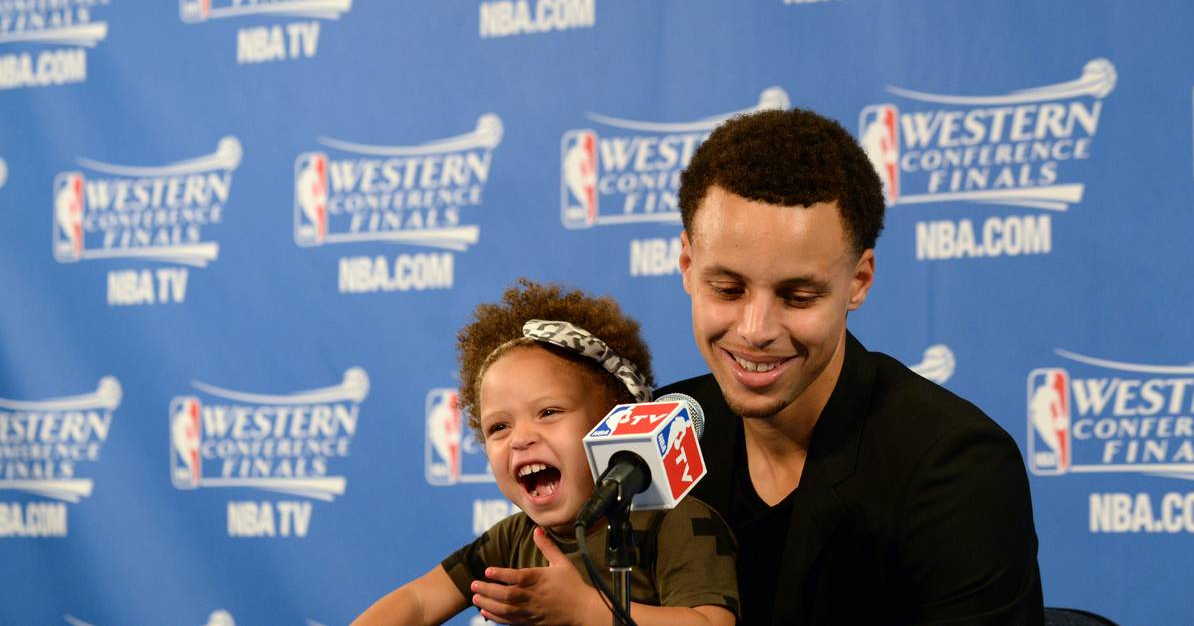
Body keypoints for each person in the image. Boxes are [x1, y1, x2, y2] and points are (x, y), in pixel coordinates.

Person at [657, 108, 1044, 625]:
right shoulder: (659, 434)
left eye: (798, 296)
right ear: (687, 265)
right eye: (727, 289)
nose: (755, 329)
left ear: (858, 282)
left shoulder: (955, 470)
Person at [353, 279, 739, 626]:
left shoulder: (676, 522)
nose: (520, 438)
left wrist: (585, 610)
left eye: (549, 413)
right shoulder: (514, 538)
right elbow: (419, 602)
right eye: (499, 427)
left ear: (617, 420)